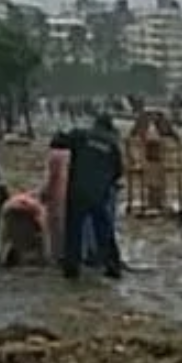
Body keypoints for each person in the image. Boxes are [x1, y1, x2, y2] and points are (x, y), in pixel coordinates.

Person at [50, 114, 123, 280]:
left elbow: (56, 142)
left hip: (77, 191)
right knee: (104, 231)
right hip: (99, 194)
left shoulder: (81, 135)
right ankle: (112, 266)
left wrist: (60, 134)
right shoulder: (112, 145)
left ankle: (71, 270)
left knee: (74, 231)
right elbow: (118, 172)